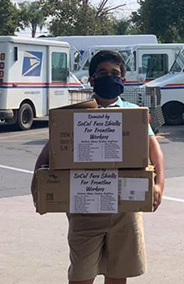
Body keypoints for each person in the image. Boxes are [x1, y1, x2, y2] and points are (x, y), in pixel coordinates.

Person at [31, 50, 165, 284]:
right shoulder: (76, 114)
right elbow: (50, 150)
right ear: (92, 79)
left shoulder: (135, 114)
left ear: (123, 79)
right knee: (82, 275)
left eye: (115, 73)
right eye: (102, 72)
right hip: (84, 207)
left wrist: (159, 185)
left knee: (118, 274)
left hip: (125, 208)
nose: (109, 77)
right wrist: (37, 185)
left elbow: (156, 152)